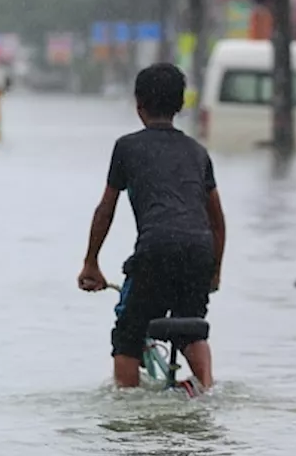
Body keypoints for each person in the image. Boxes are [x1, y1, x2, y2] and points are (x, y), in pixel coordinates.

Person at [78, 62, 227, 391]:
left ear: (138, 105)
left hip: (156, 248)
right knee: (191, 328)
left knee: (128, 336)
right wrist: (214, 270)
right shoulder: (198, 152)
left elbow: (106, 209)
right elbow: (217, 220)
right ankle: (205, 387)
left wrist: (91, 262)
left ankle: (128, 404)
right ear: (180, 105)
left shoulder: (127, 147)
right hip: (199, 250)